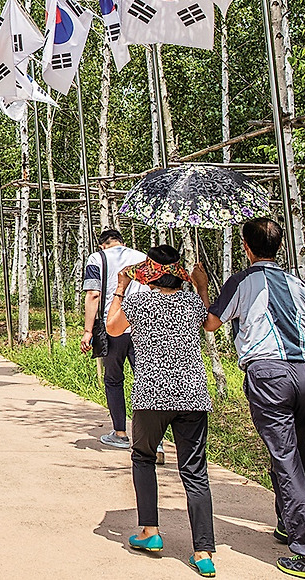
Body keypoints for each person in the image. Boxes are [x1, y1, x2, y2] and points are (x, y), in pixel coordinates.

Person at [206, 218, 305, 580]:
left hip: (269, 376)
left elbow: (211, 324)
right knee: (296, 452)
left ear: (246, 248)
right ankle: (288, 522)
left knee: (286, 461)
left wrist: (203, 288)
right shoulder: (302, 286)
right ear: (278, 246)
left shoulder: (242, 281)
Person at [108, 246, 216, 578]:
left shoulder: (138, 302)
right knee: (195, 471)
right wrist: (202, 286)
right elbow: (211, 324)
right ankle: (203, 552)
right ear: (178, 272)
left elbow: (113, 328)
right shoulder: (193, 303)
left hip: (152, 394)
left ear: (148, 273)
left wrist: (120, 288)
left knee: (143, 457)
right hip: (192, 395)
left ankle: (149, 531)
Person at [80, 228, 149, 450]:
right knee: (146, 380)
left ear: (102, 245)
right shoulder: (142, 258)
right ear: (122, 242)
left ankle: (120, 432)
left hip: (114, 327)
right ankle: (152, 439)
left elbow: (93, 293)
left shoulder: (96, 258)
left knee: (114, 380)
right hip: (142, 327)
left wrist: (88, 331)